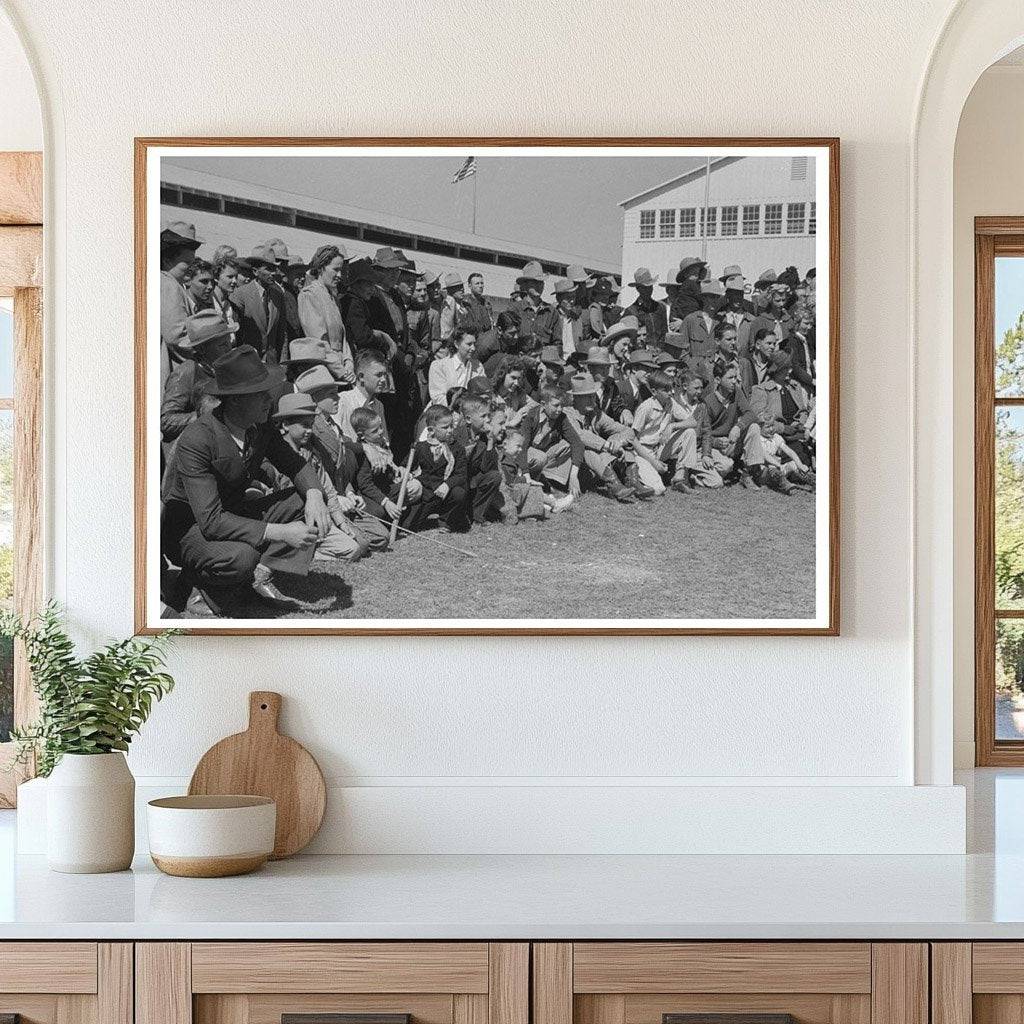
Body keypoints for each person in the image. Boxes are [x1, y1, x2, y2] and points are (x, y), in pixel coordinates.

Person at [160, 346, 330, 616]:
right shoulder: (198, 439)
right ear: (236, 400)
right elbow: (211, 521)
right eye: (261, 394)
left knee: (301, 498)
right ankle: (197, 584)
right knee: (241, 557)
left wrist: (315, 496)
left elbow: (295, 464)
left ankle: (257, 576)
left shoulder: (259, 428)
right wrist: (281, 532)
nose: (269, 400)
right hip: (191, 530)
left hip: (233, 513)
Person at [295, 364, 390, 553]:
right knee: (361, 544)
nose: (338, 397)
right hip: (324, 501)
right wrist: (336, 498)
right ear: (315, 398)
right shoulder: (309, 430)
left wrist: (349, 492)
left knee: (381, 537)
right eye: (331, 394)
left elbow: (340, 469)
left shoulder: (332, 425)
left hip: (342, 498)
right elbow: (312, 473)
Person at [271, 392, 373, 562]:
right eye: (304, 425)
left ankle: (311, 548)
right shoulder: (275, 456)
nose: (309, 431)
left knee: (360, 544)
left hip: (320, 518)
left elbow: (328, 489)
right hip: (292, 521)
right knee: (350, 549)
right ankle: (305, 552)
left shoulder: (311, 453)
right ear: (286, 424)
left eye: (311, 425)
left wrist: (341, 523)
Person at [564, 372, 640, 503]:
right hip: (572, 465)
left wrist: (618, 442)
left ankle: (633, 481)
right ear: (575, 398)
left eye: (593, 395)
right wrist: (609, 446)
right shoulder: (567, 413)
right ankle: (614, 484)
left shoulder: (595, 413)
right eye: (587, 397)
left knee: (618, 439)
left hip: (594, 465)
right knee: (586, 449)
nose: (592, 400)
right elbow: (580, 436)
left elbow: (626, 430)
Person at [160, 310, 233, 444]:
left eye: (229, 342)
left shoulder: (225, 368)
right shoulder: (187, 372)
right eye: (222, 345)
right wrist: (204, 415)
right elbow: (166, 421)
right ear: (202, 349)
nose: (229, 349)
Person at [350, 406, 422, 528]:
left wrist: (399, 471)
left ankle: (400, 519)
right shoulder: (364, 454)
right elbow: (365, 485)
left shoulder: (380, 443)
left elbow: (389, 467)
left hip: (386, 487)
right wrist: (386, 502)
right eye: (374, 431)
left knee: (416, 486)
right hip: (370, 494)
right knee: (379, 512)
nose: (380, 432)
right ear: (361, 435)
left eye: (381, 427)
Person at [630, 370, 699, 496]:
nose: (671, 392)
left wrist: (673, 425)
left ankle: (679, 478)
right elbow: (632, 439)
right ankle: (634, 478)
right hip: (643, 452)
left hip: (659, 448)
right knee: (658, 490)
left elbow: (693, 421)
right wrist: (653, 462)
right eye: (665, 390)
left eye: (671, 388)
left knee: (689, 433)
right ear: (654, 391)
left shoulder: (670, 402)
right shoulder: (646, 407)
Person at [701, 359, 766, 489]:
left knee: (753, 427)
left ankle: (747, 474)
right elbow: (703, 434)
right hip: (714, 446)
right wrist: (716, 442)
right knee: (726, 467)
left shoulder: (736, 392)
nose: (734, 381)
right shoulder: (708, 401)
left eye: (735, 377)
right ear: (718, 380)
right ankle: (700, 474)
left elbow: (750, 413)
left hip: (732, 441)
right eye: (730, 377)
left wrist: (738, 427)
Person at [298, 244, 355, 384]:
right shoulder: (309, 295)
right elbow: (318, 341)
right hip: (323, 371)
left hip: (341, 370)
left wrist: (349, 362)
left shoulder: (332, 297)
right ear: (321, 268)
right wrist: (340, 370)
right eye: (335, 270)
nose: (339, 275)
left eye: (341, 270)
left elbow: (342, 337)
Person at [518, 385, 584, 499]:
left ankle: (548, 480)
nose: (559, 409)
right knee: (540, 457)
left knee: (567, 446)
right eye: (556, 405)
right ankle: (526, 478)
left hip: (544, 455)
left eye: (562, 406)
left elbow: (577, 442)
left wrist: (574, 475)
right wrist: (525, 473)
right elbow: (522, 446)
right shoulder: (532, 416)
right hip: (527, 455)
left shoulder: (561, 418)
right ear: (543, 404)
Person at [411, 405, 469, 532]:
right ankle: (424, 517)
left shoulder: (457, 448)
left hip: (444, 493)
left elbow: (461, 474)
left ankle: (445, 520)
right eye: (444, 427)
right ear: (431, 429)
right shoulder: (420, 447)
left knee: (458, 493)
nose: (449, 430)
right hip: (426, 493)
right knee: (409, 525)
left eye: (451, 426)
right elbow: (407, 466)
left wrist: (447, 485)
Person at [159, 221, 203, 388]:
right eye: (187, 263)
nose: (192, 268)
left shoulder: (169, 283)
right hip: (174, 373)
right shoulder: (168, 285)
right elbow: (176, 336)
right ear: (168, 259)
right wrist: (204, 356)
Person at [230, 243, 288, 363]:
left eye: (274, 269)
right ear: (255, 271)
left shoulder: (278, 296)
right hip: (248, 362)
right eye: (268, 269)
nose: (273, 273)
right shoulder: (240, 295)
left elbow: (282, 333)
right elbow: (237, 334)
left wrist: (283, 363)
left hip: (272, 363)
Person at [672, 372, 732, 488]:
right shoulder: (674, 403)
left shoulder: (701, 405)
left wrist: (706, 454)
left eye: (701, 388)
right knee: (717, 482)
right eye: (696, 388)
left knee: (727, 465)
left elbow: (707, 431)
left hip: (698, 450)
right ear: (685, 386)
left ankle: (693, 475)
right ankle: (684, 470)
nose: (699, 392)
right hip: (681, 451)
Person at [458, 393, 504, 523]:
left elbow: (487, 468)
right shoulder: (458, 435)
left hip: (473, 479)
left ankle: (477, 513)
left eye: (489, 415)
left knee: (494, 476)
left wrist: (490, 441)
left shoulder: (484, 436)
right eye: (483, 416)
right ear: (468, 419)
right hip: (459, 479)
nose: (488, 419)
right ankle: (461, 512)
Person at [335, 350, 390, 444]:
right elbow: (335, 438)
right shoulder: (342, 401)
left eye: (385, 375)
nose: (384, 380)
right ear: (361, 377)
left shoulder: (378, 405)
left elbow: (383, 440)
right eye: (378, 375)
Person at [428, 327, 486, 404]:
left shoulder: (478, 366)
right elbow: (438, 398)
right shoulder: (438, 366)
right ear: (456, 344)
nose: (473, 348)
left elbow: (483, 392)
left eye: (474, 344)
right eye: (469, 344)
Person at [510, 260, 555, 353]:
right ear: (525, 285)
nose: (539, 285)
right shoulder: (514, 310)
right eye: (535, 282)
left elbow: (557, 343)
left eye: (541, 282)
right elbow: (508, 340)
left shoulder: (551, 312)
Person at [622, 268, 668, 347]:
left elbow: (664, 333)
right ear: (638, 289)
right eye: (645, 288)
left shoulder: (660, 308)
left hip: (660, 352)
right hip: (641, 354)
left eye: (650, 287)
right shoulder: (630, 311)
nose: (649, 290)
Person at [462, 272, 495, 359]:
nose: (480, 286)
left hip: (487, 344)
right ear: (469, 285)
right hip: (472, 344)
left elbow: (491, 324)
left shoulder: (487, 304)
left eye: (482, 283)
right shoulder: (465, 303)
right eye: (477, 283)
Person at [552, 277, 585, 362]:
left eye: (573, 297)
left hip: (574, 361)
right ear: (558, 299)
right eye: (568, 298)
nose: (572, 301)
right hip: (558, 360)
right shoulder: (552, 317)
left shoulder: (577, 319)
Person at [210, 256, 241, 340]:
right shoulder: (208, 304)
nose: (234, 281)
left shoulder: (233, 307)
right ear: (216, 277)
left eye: (236, 277)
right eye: (230, 277)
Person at [669, 256, 706, 323]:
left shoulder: (683, 288)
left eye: (697, 273)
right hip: (691, 313)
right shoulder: (691, 283)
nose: (696, 276)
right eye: (693, 273)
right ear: (686, 274)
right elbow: (700, 296)